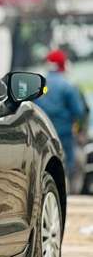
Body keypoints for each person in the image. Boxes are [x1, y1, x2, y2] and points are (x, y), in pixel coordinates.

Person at [35, 49, 86, 180]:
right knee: (65, 167)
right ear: (63, 65)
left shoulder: (40, 85)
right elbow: (79, 111)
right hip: (64, 135)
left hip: (42, 134)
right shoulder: (68, 86)